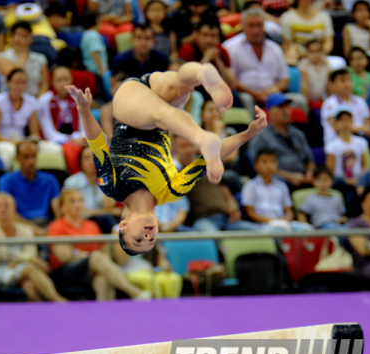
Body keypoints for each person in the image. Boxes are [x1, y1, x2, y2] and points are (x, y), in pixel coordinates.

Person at [66, 62, 268, 254]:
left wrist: (84, 112)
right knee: (181, 89)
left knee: (161, 114)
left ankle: (201, 136)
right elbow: (205, 162)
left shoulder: (112, 187)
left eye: (138, 239)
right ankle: (202, 73)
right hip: (159, 107)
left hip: (128, 108)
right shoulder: (172, 191)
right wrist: (247, 134)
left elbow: (98, 144)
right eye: (151, 241)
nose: (148, 236)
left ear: (123, 225)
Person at [47, 190, 150, 300]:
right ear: (62, 208)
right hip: (65, 271)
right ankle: (133, 292)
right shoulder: (56, 227)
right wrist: (90, 257)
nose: (77, 204)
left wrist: (84, 255)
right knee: (96, 257)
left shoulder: (92, 225)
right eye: (72, 201)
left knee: (103, 279)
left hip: (90, 270)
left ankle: (103, 314)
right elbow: (65, 256)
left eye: (80, 201)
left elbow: (104, 251)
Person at [0, 192, 67, 302]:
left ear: (14, 208)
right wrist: (29, 259)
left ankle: (40, 317)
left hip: (23, 271)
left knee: (31, 288)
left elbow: (31, 253)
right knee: (30, 268)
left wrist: (21, 258)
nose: (3, 209)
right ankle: (59, 301)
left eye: (6, 205)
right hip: (1, 271)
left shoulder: (26, 230)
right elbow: (1, 255)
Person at [222, 9, 306, 115]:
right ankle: (252, 131)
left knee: (300, 101)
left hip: (272, 95)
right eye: (251, 26)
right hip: (245, 94)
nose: (255, 31)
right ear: (242, 26)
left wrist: (271, 91)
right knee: (246, 99)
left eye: (259, 26)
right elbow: (232, 81)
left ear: (264, 27)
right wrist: (255, 94)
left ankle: (292, 132)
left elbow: (284, 79)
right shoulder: (230, 47)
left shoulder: (275, 48)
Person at [248, 93, 315, 188]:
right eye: (280, 107)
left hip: (303, 177)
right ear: (270, 111)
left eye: (287, 107)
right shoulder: (261, 137)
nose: (286, 111)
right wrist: (289, 177)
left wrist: (309, 174)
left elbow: (310, 161)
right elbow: (258, 167)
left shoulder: (298, 134)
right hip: (278, 179)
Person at [241, 149, 313, 231]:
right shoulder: (250, 186)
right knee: (277, 231)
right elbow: (251, 213)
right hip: (263, 224)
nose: (269, 165)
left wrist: (286, 219)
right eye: (264, 162)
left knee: (307, 230)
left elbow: (289, 210)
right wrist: (273, 221)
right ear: (256, 165)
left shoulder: (282, 186)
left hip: (282, 221)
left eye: (272, 161)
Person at [0, 140, 61, 233]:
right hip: (19, 226)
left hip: (47, 224)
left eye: (33, 156)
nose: (31, 161)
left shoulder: (49, 180)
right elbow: (7, 212)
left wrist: (57, 229)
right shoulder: (6, 181)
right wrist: (33, 229)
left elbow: (58, 210)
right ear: (17, 158)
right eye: (26, 157)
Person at [0, 69, 41, 169]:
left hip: (22, 141)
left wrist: (32, 142)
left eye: (23, 83)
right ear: (8, 83)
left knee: (54, 149)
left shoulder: (32, 102)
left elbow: (35, 133)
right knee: (10, 152)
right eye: (17, 82)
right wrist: (14, 143)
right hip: (1, 142)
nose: (20, 86)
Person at [62, 145, 120, 233]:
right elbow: (72, 211)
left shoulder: (106, 179)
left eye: (95, 158)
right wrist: (104, 212)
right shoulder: (71, 182)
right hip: (81, 221)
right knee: (106, 219)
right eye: (86, 158)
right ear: (80, 161)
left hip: (105, 221)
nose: (91, 161)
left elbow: (108, 206)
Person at [320, 69, 370, 145]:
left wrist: (363, 130)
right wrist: (360, 129)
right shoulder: (329, 103)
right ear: (333, 85)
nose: (347, 84)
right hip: (337, 140)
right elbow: (338, 128)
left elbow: (368, 124)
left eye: (349, 80)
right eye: (342, 81)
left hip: (361, 137)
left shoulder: (360, 101)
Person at [0, 21, 49, 96]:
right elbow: (16, 76)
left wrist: (39, 101)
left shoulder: (40, 59)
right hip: (9, 99)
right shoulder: (1, 57)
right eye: (19, 35)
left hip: (33, 100)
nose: (22, 39)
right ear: (12, 37)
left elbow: (44, 85)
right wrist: (22, 51)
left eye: (25, 36)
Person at [37, 65, 87, 145]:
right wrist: (70, 140)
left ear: (71, 80)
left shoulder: (79, 99)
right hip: (55, 141)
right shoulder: (44, 101)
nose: (63, 84)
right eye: (58, 80)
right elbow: (49, 134)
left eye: (65, 79)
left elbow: (84, 127)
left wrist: (81, 138)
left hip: (77, 139)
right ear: (52, 81)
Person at [178, 19, 234, 90]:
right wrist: (206, 58)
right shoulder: (187, 50)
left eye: (213, 36)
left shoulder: (221, 50)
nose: (209, 40)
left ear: (218, 39)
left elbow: (232, 85)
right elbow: (187, 83)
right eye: (205, 35)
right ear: (197, 36)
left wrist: (218, 60)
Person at [324, 107, 369, 187]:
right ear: (336, 123)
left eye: (348, 120)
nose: (345, 123)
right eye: (341, 120)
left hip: (358, 180)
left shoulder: (361, 142)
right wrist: (347, 181)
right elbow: (330, 170)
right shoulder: (331, 145)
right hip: (340, 181)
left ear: (352, 122)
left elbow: (365, 165)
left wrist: (359, 180)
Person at [279, 0, 334, 65]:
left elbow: (329, 41)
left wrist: (320, 53)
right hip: (297, 56)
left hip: (320, 55)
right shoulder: (287, 17)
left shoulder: (324, 16)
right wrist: (302, 55)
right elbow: (287, 44)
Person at [80, 10, 109, 78]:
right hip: (96, 73)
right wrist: (102, 71)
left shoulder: (86, 34)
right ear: (97, 20)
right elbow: (94, 52)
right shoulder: (92, 35)